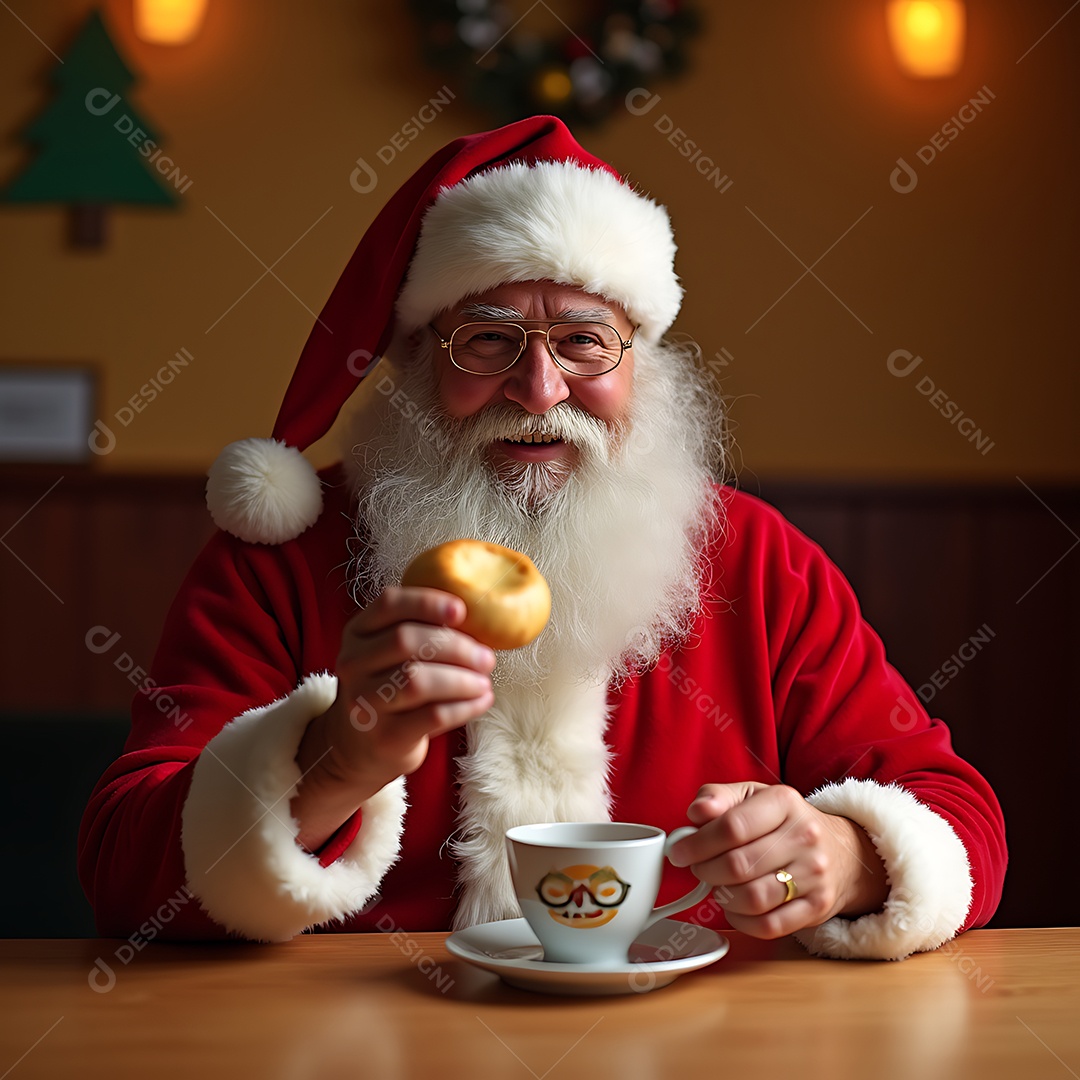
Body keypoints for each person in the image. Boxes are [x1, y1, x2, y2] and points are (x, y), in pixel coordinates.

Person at [79, 116, 1006, 959]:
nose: (540, 389)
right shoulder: (280, 563)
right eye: (485, 340)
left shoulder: (760, 562)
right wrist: (333, 764)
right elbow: (125, 876)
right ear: (412, 364)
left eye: (583, 341)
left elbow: (960, 817)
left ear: (640, 360)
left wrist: (847, 857)